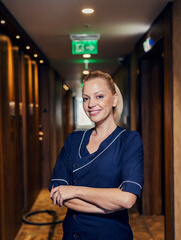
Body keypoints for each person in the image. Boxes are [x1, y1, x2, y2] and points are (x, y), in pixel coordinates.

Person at [49, 70, 143, 240]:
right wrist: (108, 205)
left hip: (111, 234)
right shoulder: (74, 140)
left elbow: (127, 199)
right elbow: (58, 192)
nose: (91, 104)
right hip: (74, 233)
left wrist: (74, 190)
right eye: (86, 98)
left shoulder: (129, 140)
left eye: (99, 96)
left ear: (114, 99)